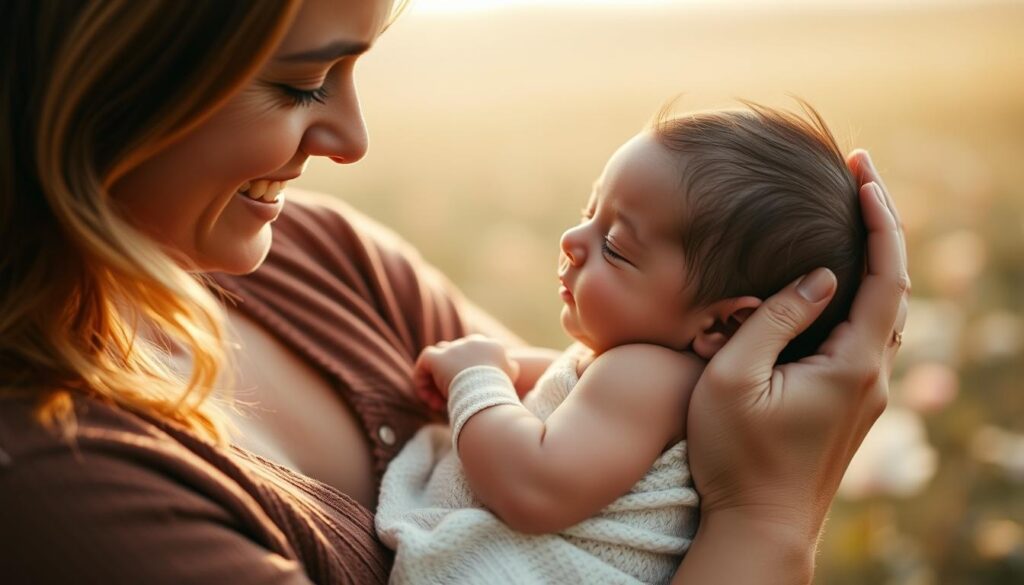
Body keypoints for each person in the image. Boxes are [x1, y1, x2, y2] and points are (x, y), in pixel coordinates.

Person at [0, 1, 909, 584]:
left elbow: (537, 454)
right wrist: (769, 519)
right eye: (300, 83)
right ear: (107, 72)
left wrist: (483, 373)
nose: (353, 138)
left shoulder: (324, 260)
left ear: (724, 324)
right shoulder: (59, 485)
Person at [375, 103, 865, 584]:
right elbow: (568, 388)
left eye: (614, 246)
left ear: (723, 325)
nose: (572, 238)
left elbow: (535, 487)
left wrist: (475, 379)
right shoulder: (649, 377)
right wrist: (504, 364)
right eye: (588, 211)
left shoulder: (646, 377)